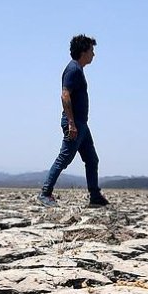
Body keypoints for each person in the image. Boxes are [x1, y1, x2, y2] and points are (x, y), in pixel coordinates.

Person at [39, 34, 109, 207]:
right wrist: (71, 122)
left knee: (92, 159)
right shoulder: (73, 69)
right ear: (83, 51)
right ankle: (45, 193)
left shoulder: (78, 69)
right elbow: (65, 95)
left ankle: (94, 195)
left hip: (82, 124)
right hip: (75, 123)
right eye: (91, 50)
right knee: (64, 158)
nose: (94, 54)